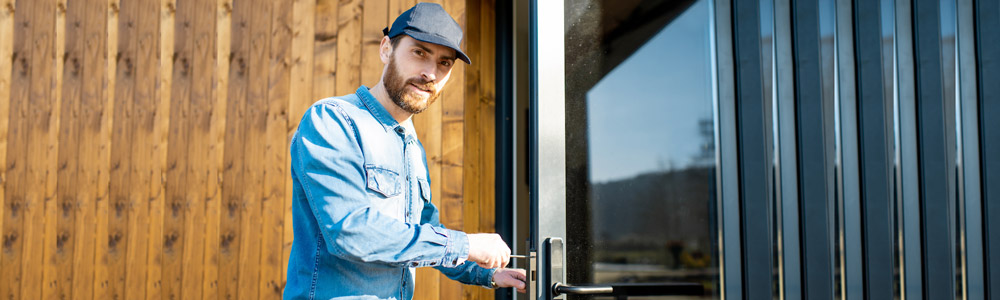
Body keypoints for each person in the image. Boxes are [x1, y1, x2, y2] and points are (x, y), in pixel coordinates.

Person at [283, 3, 527, 299]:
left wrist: (487, 274)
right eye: (419, 52)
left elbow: (424, 229)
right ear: (386, 49)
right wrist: (465, 244)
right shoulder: (333, 120)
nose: (430, 73)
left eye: (444, 63)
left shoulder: (411, 145)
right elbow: (350, 231)